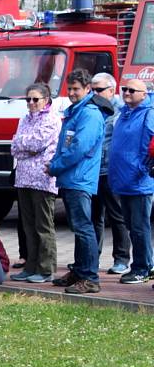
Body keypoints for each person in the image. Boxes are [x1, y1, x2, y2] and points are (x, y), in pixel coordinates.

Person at [49, 69, 109, 294]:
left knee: (84, 228)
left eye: (77, 89)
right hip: (72, 177)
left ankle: (90, 278)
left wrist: (55, 166)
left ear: (87, 90)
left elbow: (79, 148)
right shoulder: (76, 111)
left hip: (79, 178)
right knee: (80, 227)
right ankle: (80, 270)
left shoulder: (89, 114)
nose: (72, 92)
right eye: (70, 88)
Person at [9, 83, 62, 284]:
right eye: (28, 99)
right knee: (28, 226)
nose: (31, 103)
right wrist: (24, 145)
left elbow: (36, 143)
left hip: (42, 179)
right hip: (23, 178)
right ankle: (30, 266)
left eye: (35, 99)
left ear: (46, 100)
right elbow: (15, 146)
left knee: (43, 226)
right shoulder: (24, 119)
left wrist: (24, 144)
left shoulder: (52, 119)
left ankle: (46, 268)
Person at [107, 79, 154, 284]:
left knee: (139, 227)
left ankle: (142, 268)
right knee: (131, 225)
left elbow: (150, 145)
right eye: (124, 89)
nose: (126, 93)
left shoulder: (148, 113)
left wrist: (141, 169)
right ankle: (144, 265)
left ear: (144, 94)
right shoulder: (124, 112)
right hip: (123, 179)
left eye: (132, 90)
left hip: (138, 181)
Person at [90, 72, 132, 275]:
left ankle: (122, 258)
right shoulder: (91, 109)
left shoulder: (122, 111)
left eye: (99, 90)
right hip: (92, 170)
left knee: (117, 215)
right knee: (94, 216)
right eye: (92, 89)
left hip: (112, 170)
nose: (94, 93)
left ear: (111, 89)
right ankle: (92, 257)